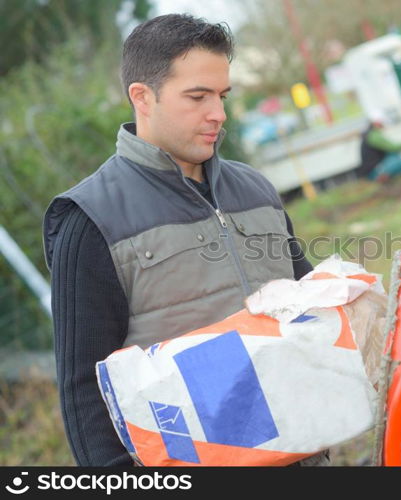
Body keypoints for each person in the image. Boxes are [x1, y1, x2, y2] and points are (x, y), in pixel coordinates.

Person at [42, 14, 328, 467]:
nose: (218, 113)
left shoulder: (255, 190)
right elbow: (84, 393)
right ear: (143, 97)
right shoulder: (91, 219)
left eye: (222, 95)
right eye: (197, 97)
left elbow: (311, 309)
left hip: (303, 457)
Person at [357, 110, 401, 182]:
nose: (383, 124)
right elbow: (393, 147)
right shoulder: (373, 136)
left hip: (374, 167)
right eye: (382, 122)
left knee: (394, 155)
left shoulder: (370, 133)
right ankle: (382, 177)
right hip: (374, 172)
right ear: (376, 122)